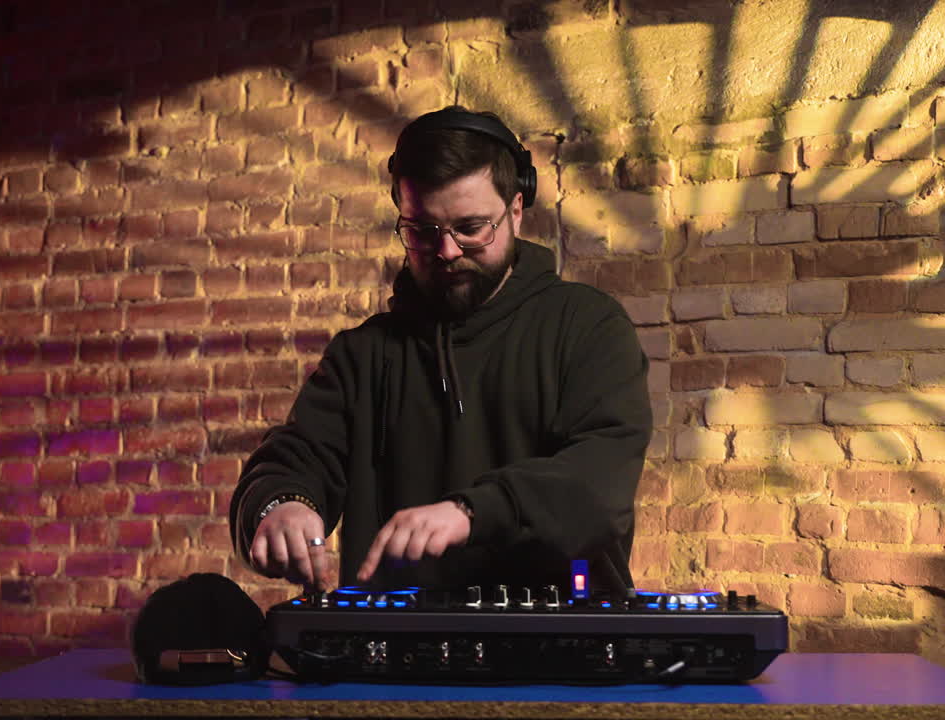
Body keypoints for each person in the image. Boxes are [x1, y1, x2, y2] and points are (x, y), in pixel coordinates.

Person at [228, 106, 652, 595]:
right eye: (422, 232)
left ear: (516, 209)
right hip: (396, 657)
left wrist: (471, 513)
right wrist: (279, 505)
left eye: (471, 228)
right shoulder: (361, 355)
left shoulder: (589, 326)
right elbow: (293, 458)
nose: (446, 251)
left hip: (561, 655)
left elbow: (600, 482)